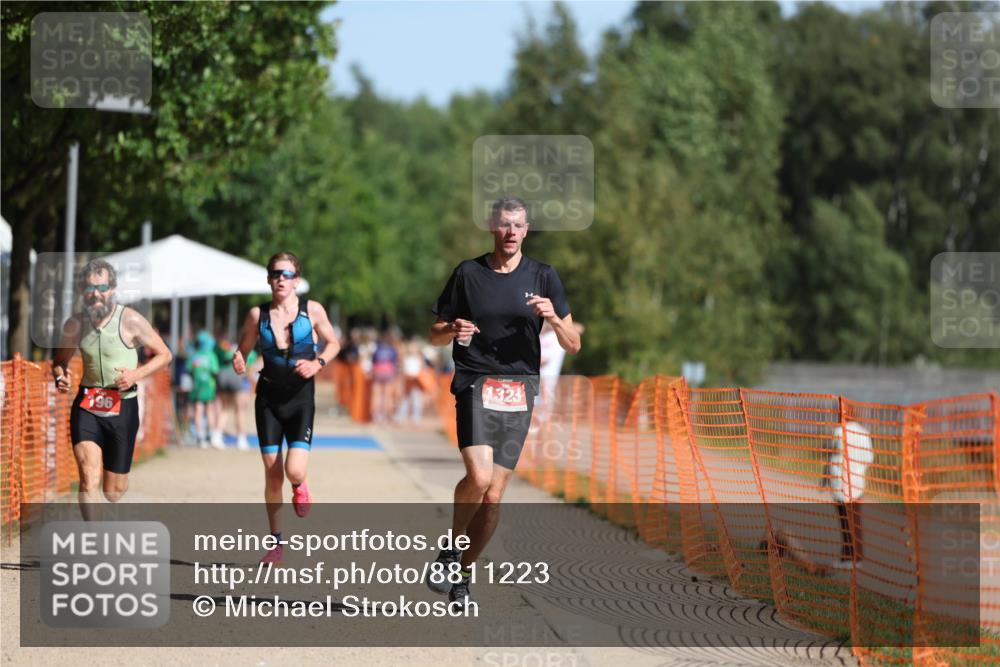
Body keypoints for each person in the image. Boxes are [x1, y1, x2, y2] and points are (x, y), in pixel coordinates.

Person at [425, 196, 581, 609]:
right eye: (504, 225)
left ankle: (461, 574)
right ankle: (449, 552)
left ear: (526, 231)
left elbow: (574, 343)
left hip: (520, 388)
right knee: (477, 479)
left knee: (493, 496)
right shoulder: (468, 274)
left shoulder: (544, 277)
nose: (511, 232)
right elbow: (435, 334)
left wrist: (552, 318)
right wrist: (452, 328)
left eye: (519, 226)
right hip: (475, 380)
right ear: (493, 228)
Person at [232, 251, 339, 565]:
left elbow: (334, 344)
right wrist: (239, 360)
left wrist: (318, 362)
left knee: (293, 470)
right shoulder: (257, 315)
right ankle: (276, 543)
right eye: (276, 273)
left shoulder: (312, 310)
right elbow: (244, 350)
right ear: (269, 279)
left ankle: (300, 484)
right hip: (268, 399)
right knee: (272, 474)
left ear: (297, 280)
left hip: (301, 398)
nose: (282, 279)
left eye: (288, 274)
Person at [52, 259, 173, 518]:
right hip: (87, 404)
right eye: (89, 288)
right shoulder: (74, 324)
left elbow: (165, 354)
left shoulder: (130, 320)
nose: (95, 294)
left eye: (102, 287)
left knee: (114, 491)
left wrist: (136, 374)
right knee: (87, 475)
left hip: (123, 405)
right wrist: (60, 375)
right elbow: (59, 362)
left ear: (113, 289)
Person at [828, 421, 873, 566]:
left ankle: (849, 558)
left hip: (840, 484)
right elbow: (869, 458)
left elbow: (833, 454)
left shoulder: (839, 431)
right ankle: (854, 557)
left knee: (845, 522)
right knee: (855, 521)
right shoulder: (863, 432)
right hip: (857, 484)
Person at [188, 330, 222, 448]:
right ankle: (211, 436)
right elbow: (215, 371)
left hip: (197, 387)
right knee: (209, 411)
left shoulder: (195, 355)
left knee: (198, 410)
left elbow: (189, 370)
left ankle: (200, 437)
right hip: (209, 387)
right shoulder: (211, 356)